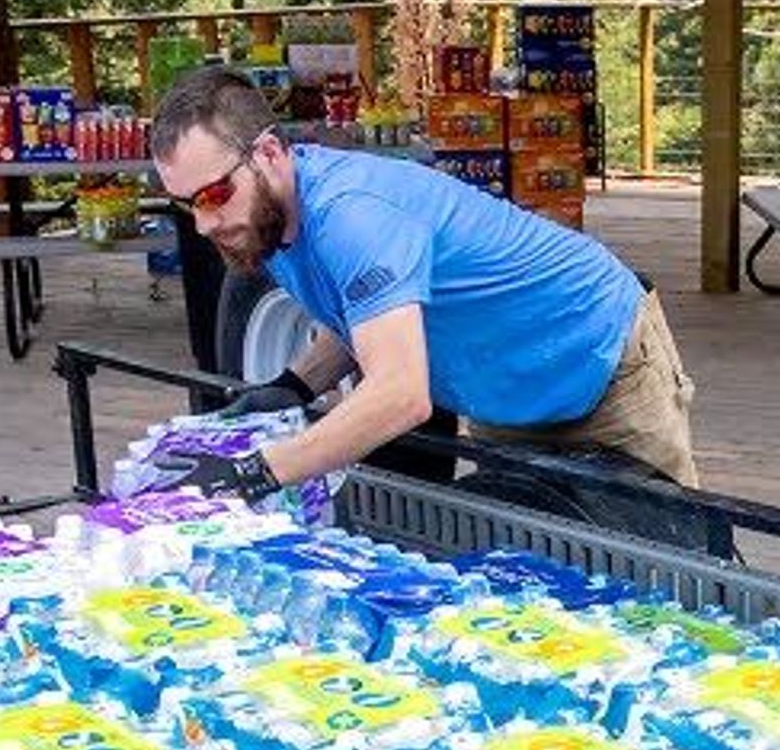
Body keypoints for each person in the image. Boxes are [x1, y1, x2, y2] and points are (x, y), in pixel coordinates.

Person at [145, 65, 697, 496]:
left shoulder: (353, 216)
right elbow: (365, 312)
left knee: (666, 573)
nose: (203, 223)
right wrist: (292, 387)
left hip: (600, 362)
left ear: (267, 153)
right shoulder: (268, 217)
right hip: (505, 393)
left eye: (214, 195)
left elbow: (401, 397)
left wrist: (256, 473)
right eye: (185, 204)